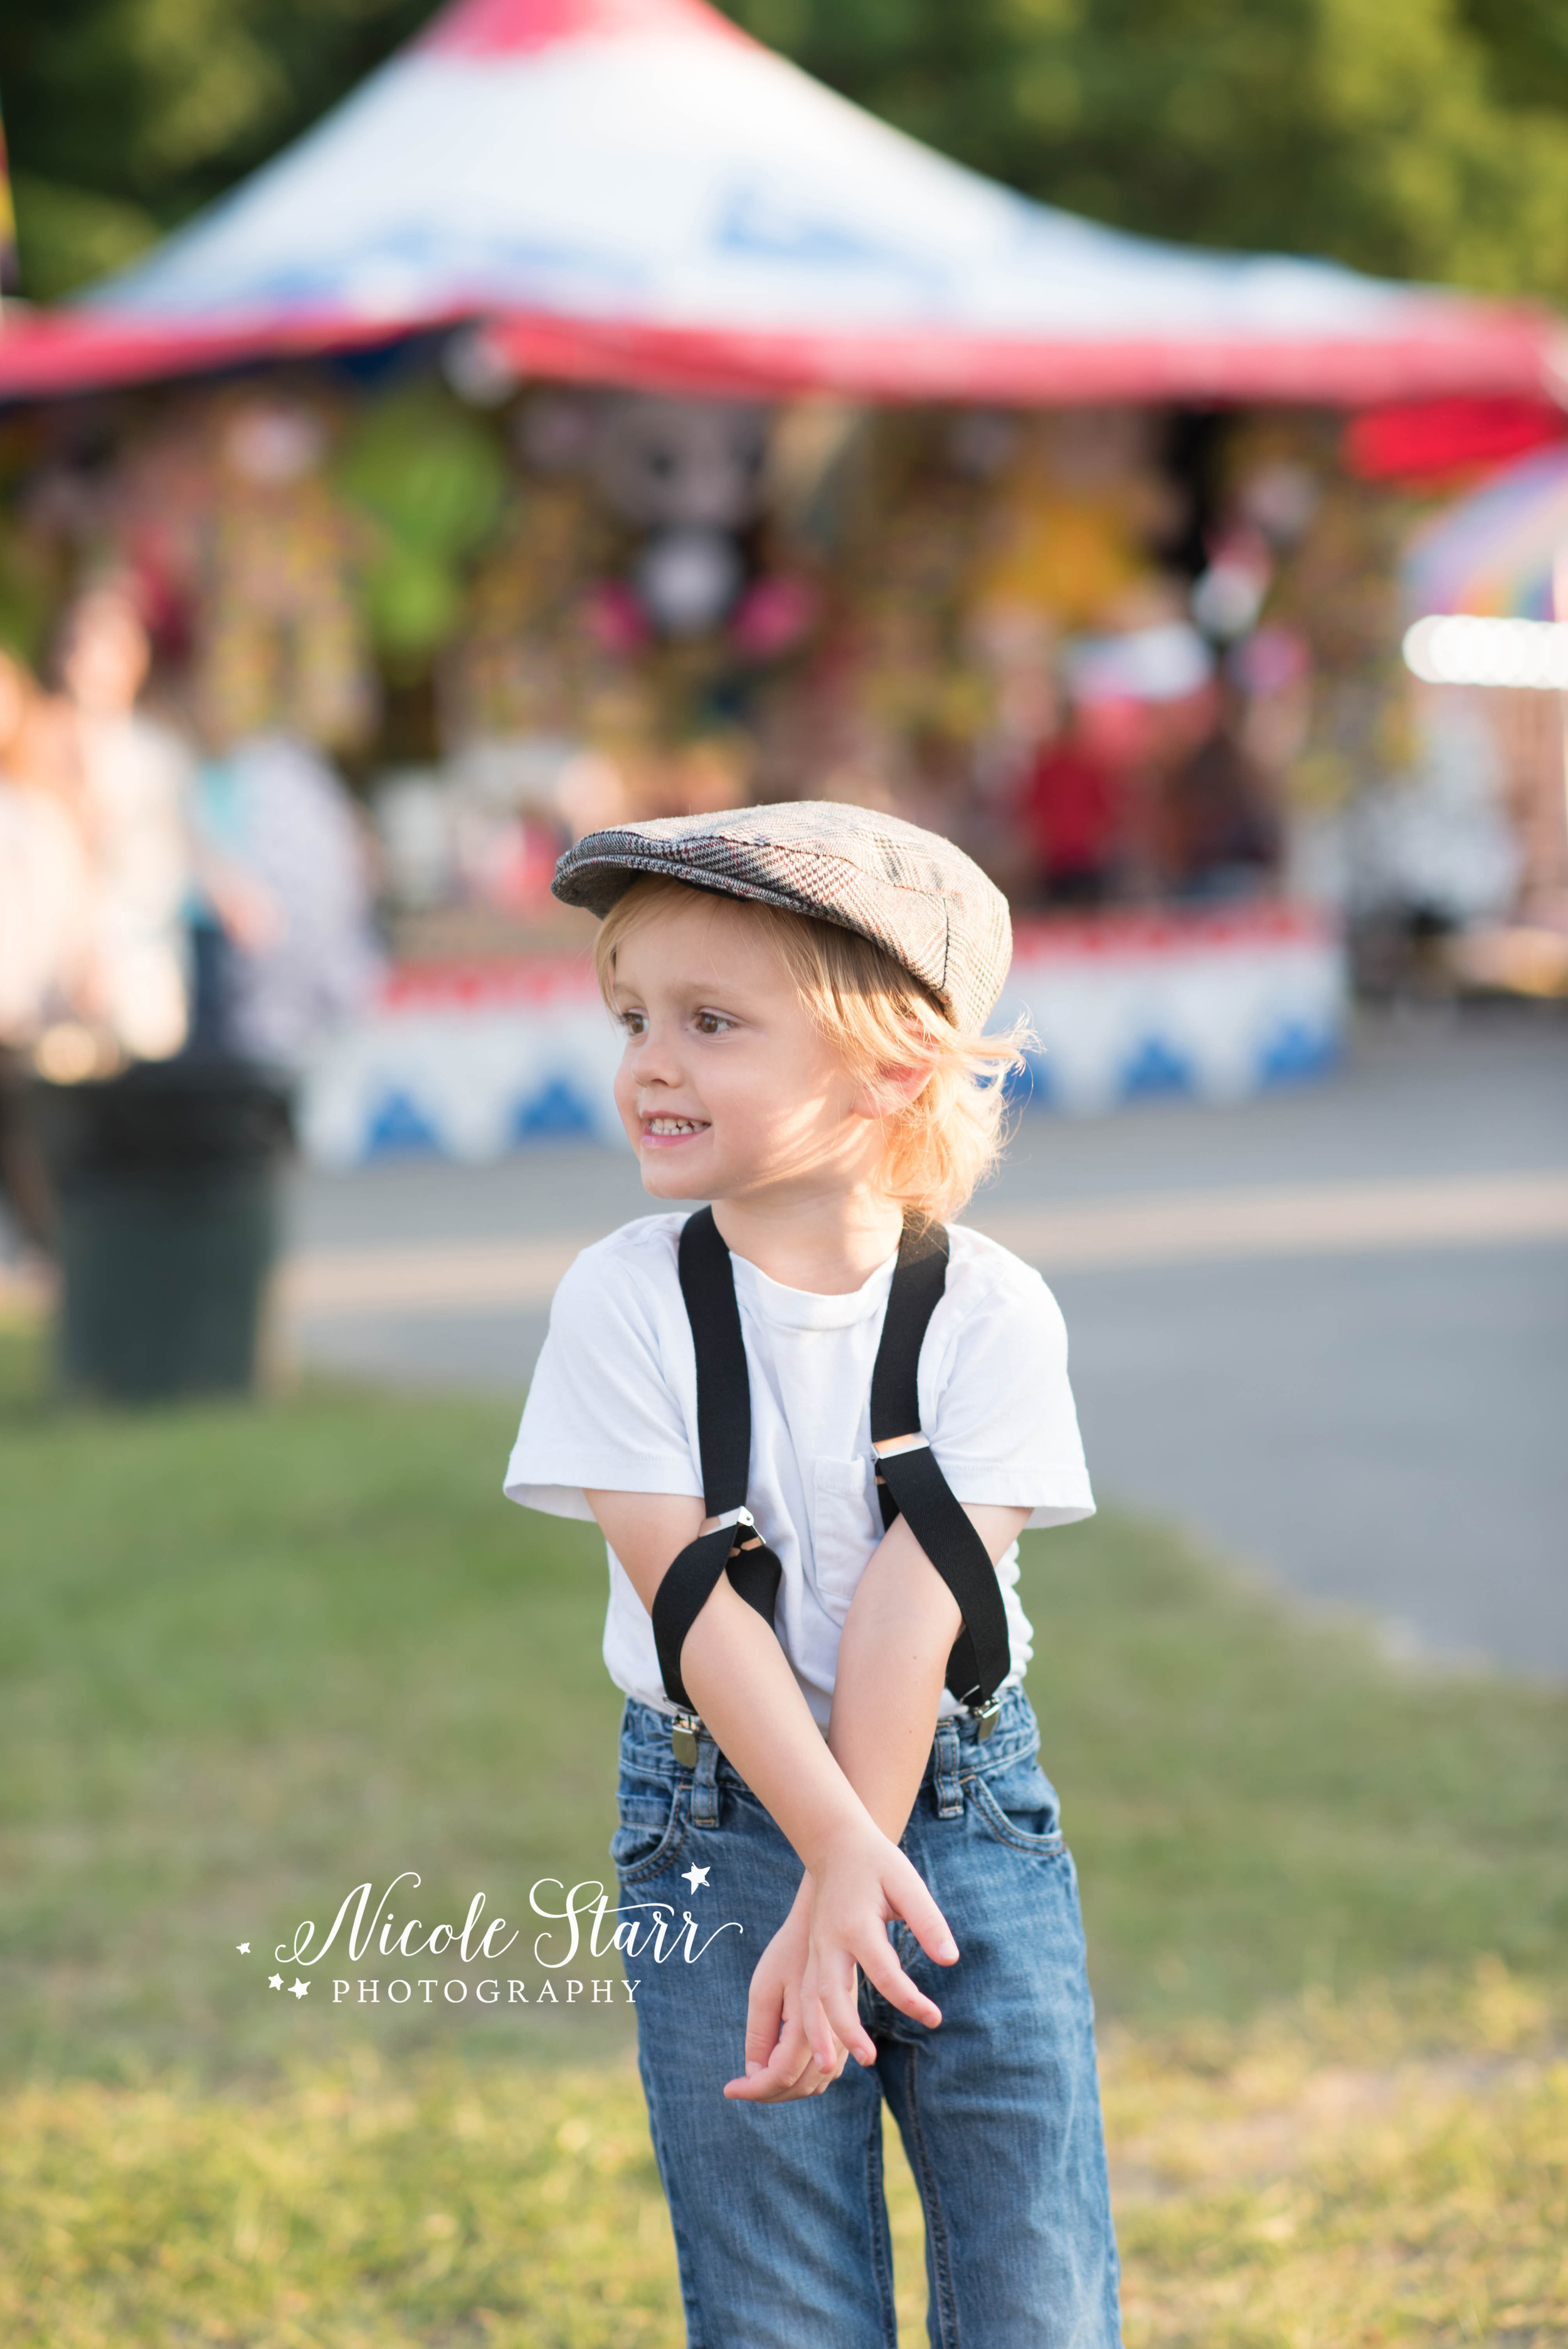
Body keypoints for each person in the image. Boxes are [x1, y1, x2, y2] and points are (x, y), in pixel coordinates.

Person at [505, 803, 1122, 2346]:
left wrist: (860, 1863)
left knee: (1030, 2270)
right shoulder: (619, 1302)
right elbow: (690, 1603)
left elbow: (918, 1607)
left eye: (712, 1022)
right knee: (778, 2284)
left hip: (965, 1808)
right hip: (716, 1816)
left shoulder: (989, 1313)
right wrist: (824, 1852)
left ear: (896, 1066)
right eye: (635, 1014)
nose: (651, 1059)